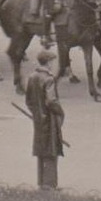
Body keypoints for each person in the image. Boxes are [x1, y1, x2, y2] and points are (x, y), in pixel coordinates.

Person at [25, 50, 66, 190]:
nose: (53, 64)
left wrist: (36, 113)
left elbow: (29, 101)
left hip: (38, 120)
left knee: (41, 151)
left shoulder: (32, 77)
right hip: (50, 119)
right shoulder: (48, 79)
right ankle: (50, 184)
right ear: (48, 62)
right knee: (51, 151)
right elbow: (51, 100)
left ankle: (41, 182)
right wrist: (61, 112)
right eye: (52, 61)